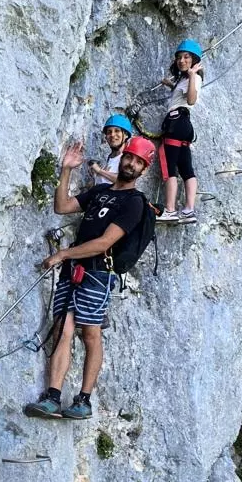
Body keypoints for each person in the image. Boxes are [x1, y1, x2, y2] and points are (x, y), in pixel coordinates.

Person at [24, 136, 156, 420]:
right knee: (63, 327)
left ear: (144, 170)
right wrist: (66, 170)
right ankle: (53, 396)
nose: (131, 164)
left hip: (97, 271)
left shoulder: (134, 203)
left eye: (138, 162)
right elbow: (62, 206)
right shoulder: (100, 192)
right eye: (129, 157)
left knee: (90, 333)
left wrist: (63, 254)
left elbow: (104, 242)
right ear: (123, 158)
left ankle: (84, 400)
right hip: (75, 268)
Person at [158, 38, 203, 223]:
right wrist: (171, 85)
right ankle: (188, 210)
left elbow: (191, 100)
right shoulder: (184, 79)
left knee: (169, 166)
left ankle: (170, 210)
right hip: (183, 124)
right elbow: (182, 96)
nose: (181, 60)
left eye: (186, 57)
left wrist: (192, 75)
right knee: (186, 168)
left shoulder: (193, 78)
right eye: (179, 57)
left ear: (194, 60)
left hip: (176, 123)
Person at [89, 114, 134, 186]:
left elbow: (125, 181)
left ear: (126, 135)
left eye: (117, 131)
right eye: (109, 132)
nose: (112, 135)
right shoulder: (109, 158)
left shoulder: (128, 158)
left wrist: (99, 171)